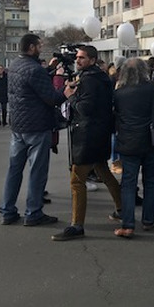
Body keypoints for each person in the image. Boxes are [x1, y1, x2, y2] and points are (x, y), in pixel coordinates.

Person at [50, 45, 124, 241]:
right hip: (99, 134)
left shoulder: (89, 80)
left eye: (82, 58)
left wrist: (71, 96)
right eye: (77, 57)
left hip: (87, 135)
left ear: (92, 60)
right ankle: (122, 208)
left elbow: (86, 108)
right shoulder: (100, 78)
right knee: (104, 172)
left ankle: (77, 225)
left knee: (77, 181)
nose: (78, 61)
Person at [0, 33, 66, 227]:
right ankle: (34, 212)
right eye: (39, 45)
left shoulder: (15, 66)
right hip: (37, 126)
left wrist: (50, 70)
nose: (41, 47)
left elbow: (30, 87)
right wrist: (66, 91)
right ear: (31, 47)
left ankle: (8, 210)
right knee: (37, 171)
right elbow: (51, 98)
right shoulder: (35, 70)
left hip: (18, 126)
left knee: (14, 169)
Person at [112, 58, 154, 238]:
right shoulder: (153, 87)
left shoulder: (119, 93)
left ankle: (128, 224)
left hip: (128, 142)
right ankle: (148, 220)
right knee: (150, 182)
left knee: (128, 184)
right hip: (150, 140)